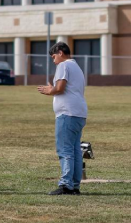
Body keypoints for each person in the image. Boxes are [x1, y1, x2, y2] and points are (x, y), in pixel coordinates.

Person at [38, 41, 87, 195]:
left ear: (60, 52)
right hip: (79, 113)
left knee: (65, 150)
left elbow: (60, 88)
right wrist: (52, 89)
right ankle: (74, 185)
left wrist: (49, 90)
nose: (54, 61)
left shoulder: (63, 66)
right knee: (74, 150)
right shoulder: (76, 67)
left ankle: (66, 185)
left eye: (53, 57)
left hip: (67, 113)